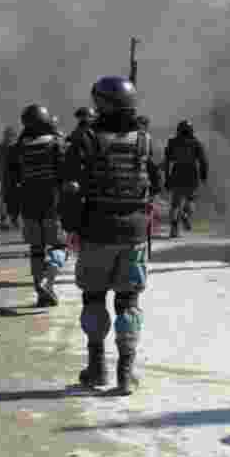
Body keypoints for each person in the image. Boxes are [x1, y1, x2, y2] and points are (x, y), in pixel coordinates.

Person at [62, 76, 161, 394]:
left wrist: (72, 228)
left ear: (101, 103)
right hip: (133, 231)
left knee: (93, 298)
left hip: (95, 229)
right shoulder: (144, 140)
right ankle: (125, 373)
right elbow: (155, 184)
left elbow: (69, 187)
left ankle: (96, 369)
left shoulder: (86, 139)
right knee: (128, 302)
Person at [8, 104, 68, 308]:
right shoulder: (56, 143)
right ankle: (47, 279)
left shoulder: (18, 147)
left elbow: (11, 181)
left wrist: (12, 209)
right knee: (59, 245)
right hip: (52, 200)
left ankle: (40, 291)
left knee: (36, 248)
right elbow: (65, 175)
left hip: (28, 202)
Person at [164, 120, 208, 238]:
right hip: (192, 173)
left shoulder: (172, 142)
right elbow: (203, 161)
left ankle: (174, 229)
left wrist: (167, 178)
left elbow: (167, 162)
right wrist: (204, 176)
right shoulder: (196, 143)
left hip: (177, 172)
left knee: (175, 204)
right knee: (191, 199)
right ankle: (186, 214)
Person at [0, 126, 20, 230]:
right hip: (5, 178)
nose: (9, 137)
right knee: (4, 199)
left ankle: (13, 220)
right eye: (7, 135)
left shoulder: (17, 146)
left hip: (16, 178)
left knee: (15, 199)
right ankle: (5, 220)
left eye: (11, 135)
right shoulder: (0, 146)